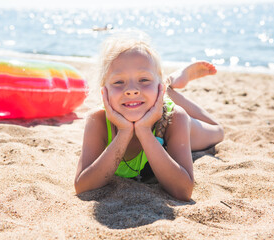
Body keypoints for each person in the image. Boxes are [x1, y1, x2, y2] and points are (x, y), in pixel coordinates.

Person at [74, 32, 224, 201]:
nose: (131, 89)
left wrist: (144, 131)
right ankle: (166, 86)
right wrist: (124, 132)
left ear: (157, 87)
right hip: (150, 98)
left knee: (218, 132)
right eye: (118, 82)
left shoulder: (175, 118)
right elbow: (82, 186)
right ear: (104, 92)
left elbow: (183, 191)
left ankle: (169, 87)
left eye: (144, 79)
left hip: (165, 115)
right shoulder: (98, 120)